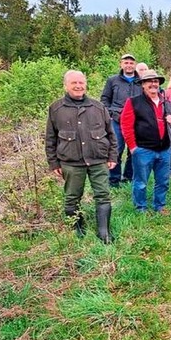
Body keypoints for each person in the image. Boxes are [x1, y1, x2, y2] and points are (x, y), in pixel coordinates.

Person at [45, 70, 117, 243]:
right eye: (74, 83)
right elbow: (50, 138)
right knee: (71, 197)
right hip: (71, 162)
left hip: (98, 159)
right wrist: (53, 163)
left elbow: (111, 134)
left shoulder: (98, 107)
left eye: (81, 83)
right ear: (66, 85)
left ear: (85, 84)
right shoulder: (56, 108)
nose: (78, 86)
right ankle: (78, 229)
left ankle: (104, 232)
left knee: (103, 195)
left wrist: (112, 156)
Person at [120, 70, 171, 214]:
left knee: (163, 182)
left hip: (164, 149)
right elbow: (126, 125)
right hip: (143, 150)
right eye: (149, 81)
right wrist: (133, 147)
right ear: (143, 84)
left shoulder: (165, 101)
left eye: (156, 81)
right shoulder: (133, 102)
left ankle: (160, 205)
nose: (153, 84)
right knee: (141, 182)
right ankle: (140, 207)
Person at [101, 53, 141, 187]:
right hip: (117, 119)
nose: (129, 65)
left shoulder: (140, 81)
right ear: (121, 64)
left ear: (134, 65)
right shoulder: (113, 80)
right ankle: (114, 180)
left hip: (136, 120)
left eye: (131, 63)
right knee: (116, 149)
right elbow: (105, 99)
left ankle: (128, 177)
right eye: (126, 63)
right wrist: (110, 113)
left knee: (133, 149)